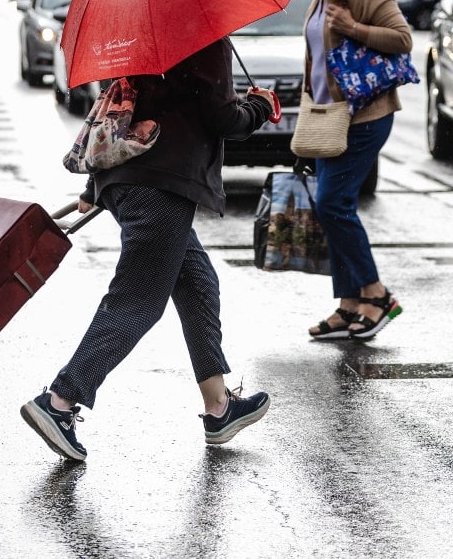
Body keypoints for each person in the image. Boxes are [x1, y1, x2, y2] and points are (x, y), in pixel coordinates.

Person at [21, 37, 277, 462]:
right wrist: (259, 107)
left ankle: (219, 407)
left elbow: (122, 105)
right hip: (161, 187)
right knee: (137, 302)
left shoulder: (140, 35)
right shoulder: (205, 40)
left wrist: (94, 186)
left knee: (197, 283)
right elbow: (222, 118)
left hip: (126, 180)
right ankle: (61, 401)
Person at [301, 0, 413, 341]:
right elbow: (316, 62)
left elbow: (403, 39)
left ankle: (376, 295)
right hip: (328, 120)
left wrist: (354, 28)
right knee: (332, 206)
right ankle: (349, 304)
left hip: (365, 116)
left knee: (334, 203)